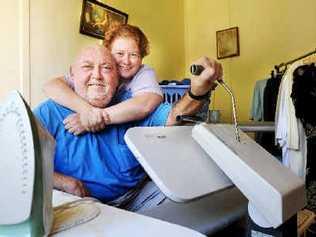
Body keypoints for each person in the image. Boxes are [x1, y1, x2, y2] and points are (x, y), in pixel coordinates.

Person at [34, 45, 222, 211]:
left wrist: (197, 92)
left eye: (107, 68)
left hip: (135, 198)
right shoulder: (49, 111)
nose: (97, 75)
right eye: (87, 67)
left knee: (191, 204)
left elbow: (174, 116)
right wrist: (62, 182)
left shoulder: (130, 106)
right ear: (72, 75)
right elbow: (11, 160)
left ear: (117, 78)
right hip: (79, 205)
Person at [43, 24, 163, 135]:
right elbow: (51, 86)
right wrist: (86, 111)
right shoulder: (95, 73)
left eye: (134, 55)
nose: (126, 61)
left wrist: (95, 118)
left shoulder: (143, 73)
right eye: (120, 54)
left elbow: (146, 103)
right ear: (108, 53)